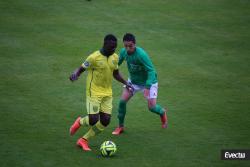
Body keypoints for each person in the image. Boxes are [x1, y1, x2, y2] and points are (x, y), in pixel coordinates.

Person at [69, 34, 132, 151]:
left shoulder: (115, 57)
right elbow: (81, 68)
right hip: (93, 91)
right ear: (105, 44)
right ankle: (80, 122)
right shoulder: (94, 57)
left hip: (107, 93)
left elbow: (116, 73)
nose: (113, 50)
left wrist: (126, 83)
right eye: (111, 47)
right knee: (93, 119)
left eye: (115, 47)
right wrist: (75, 74)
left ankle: (83, 140)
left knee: (105, 121)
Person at [112, 33, 168, 135]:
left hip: (149, 82)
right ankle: (120, 127)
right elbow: (116, 65)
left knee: (152, 108)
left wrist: (147, 87)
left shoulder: (141, 55)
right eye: (126, 46)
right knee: (122, 102)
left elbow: (151, 71)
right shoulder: (124, 52)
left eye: (130, 46)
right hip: (133, 82)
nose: (128, 48)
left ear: (135, 44)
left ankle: (162, 112)